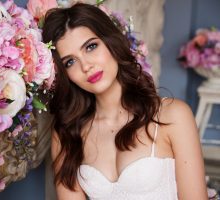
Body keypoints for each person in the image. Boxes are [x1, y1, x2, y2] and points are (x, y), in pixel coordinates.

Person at [42, 3, 208, 200]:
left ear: (112, 42)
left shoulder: (172, 115)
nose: (86, 66)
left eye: (91, 47)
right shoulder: (66, 134)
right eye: (70, 61)